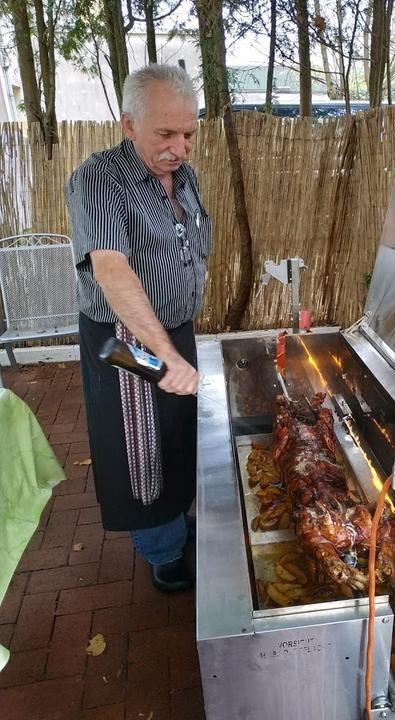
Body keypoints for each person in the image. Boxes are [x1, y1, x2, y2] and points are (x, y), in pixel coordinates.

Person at [66, 64, 212, 592]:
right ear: (129, 125)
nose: (180, 146)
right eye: (166, 134)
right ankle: (162, 550)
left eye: (189, 133)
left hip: (174, 330)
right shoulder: (99, 178)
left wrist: (180, 341)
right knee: (141, 445)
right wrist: (164, 353)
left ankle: (178, 520)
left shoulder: (184, 177)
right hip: (128, 344)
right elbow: (110, 268)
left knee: (179, 429)